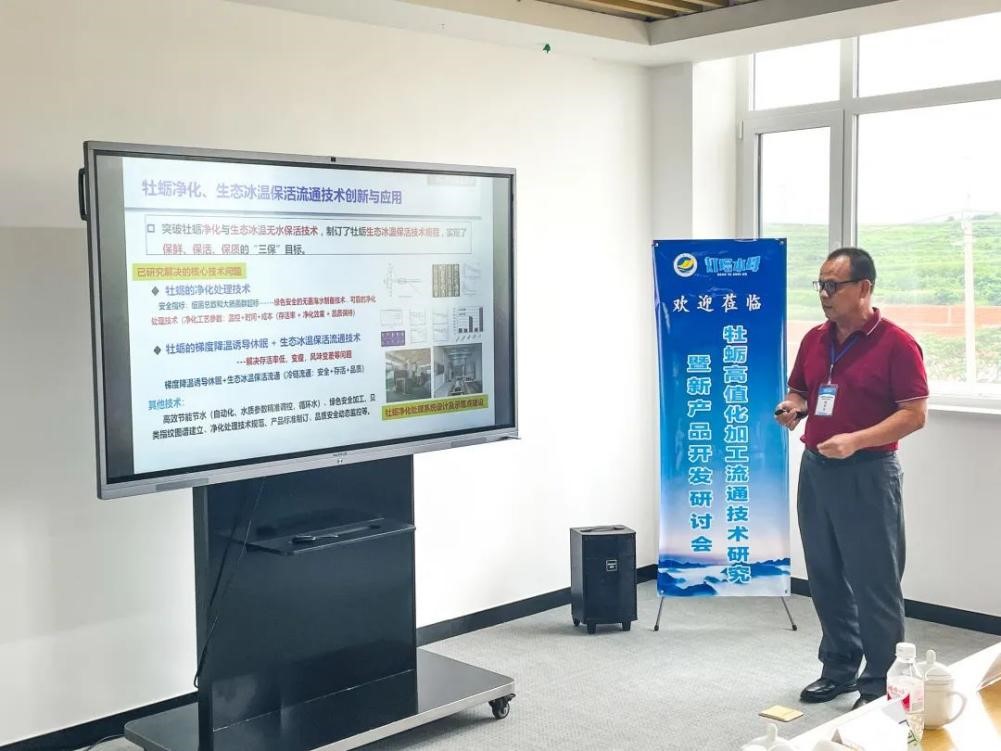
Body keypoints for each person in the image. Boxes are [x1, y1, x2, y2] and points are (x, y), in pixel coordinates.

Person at [774, 247, 928, 710]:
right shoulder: (815, 339)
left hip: (868, 473)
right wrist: (793, 407)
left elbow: (914, 414)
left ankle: (881, 684)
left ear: (864, 288)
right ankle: (839, 667)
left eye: (832, 285)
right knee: (825, 576)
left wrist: (856, 441)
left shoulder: (896, 344)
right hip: (817, 470)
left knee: (874, 581)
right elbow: (801, 389)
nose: (824, 294)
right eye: (819, 285)